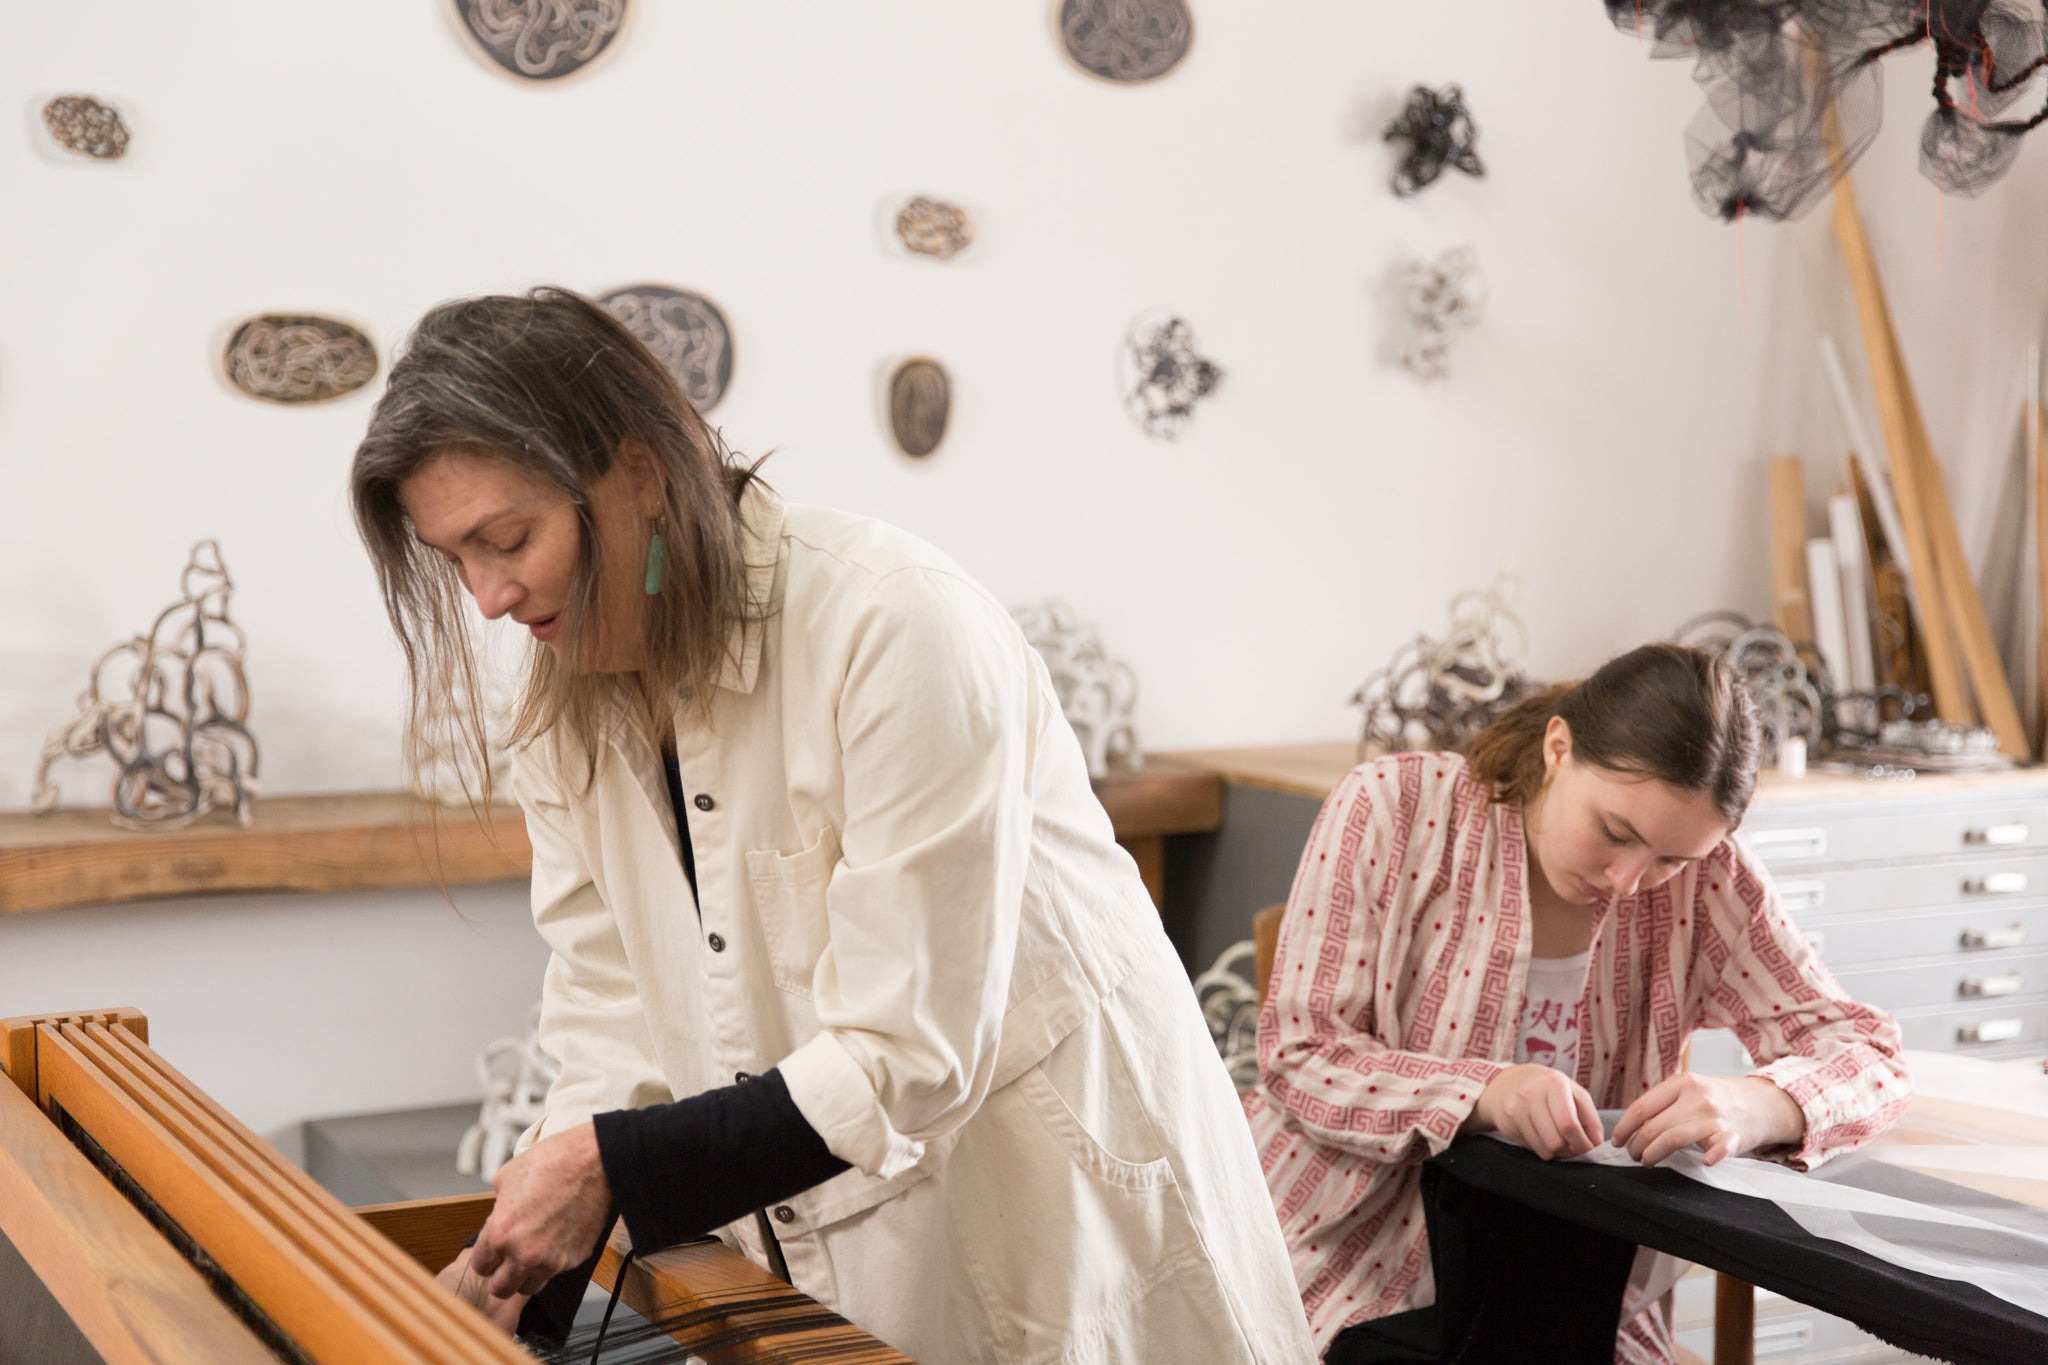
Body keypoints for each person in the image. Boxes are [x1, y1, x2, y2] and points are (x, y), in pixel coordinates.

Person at [348, 287, 1315, 1363]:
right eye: (455, 560)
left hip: (1048, 1211)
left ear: (638, 472)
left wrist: (611, 1169)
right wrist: (516, 1268)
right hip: (841, 1251)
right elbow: (612, 1014)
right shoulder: (566, 711)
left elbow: (913, 1049)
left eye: (508, 538)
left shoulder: (891, 626)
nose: (486, 597)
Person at [1243, 644, 1910, 1364]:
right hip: (1346, 1264)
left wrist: (1762, 1103)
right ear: (1557, 747)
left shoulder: (1710, 878)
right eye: (1615, 832)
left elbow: (1870, 1054)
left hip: (1577, 1300)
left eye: (1668, 860)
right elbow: (1301, 1054)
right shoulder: (1393, 807)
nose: (1628, 880)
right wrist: (1486, 1091)